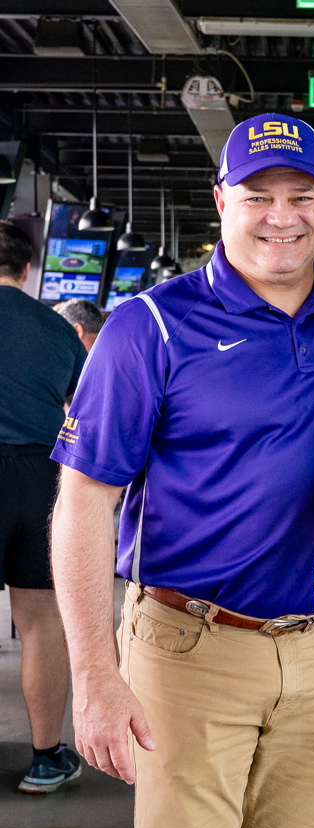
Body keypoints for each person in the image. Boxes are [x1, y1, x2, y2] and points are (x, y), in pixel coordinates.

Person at [49, 113, 314, 828]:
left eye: (302, 195)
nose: (282, 217)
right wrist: (94, 674)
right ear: (221, 199)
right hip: (189, 650)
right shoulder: (150, 327)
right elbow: (83, 502)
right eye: (258, 196)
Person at [0, 220, 87, 794]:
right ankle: (45, 758)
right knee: (40, 623)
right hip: (38, 475)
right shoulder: (56, 331)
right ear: (28, 270)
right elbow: (84, 407)